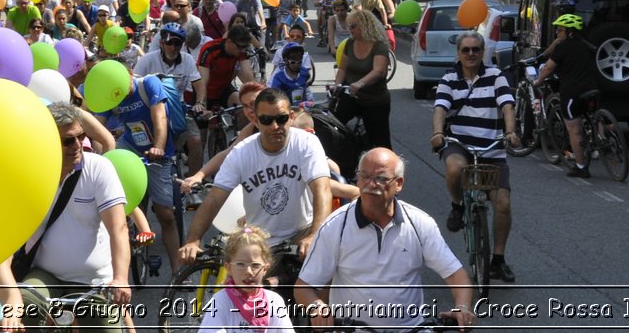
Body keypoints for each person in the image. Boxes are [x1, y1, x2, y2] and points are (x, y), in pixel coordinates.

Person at [295, 148, 474, 332]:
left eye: (381, 178)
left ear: (399, 184)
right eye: (364, 176)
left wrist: (463, 308)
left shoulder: (420, 223)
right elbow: (303, 287)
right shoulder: (335, 226)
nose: (371, 184)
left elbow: (457, 276)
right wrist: (316, 306)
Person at [179, 89, 332, 266]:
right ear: (255, 121)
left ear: (291, 117)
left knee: (308, 288)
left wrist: (315, 235)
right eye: (267, 120)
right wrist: (193, 240)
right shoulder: (241, 153)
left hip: (302, 233)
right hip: (260, 241)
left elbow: (322, 189)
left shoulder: (307, 142)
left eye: (281, 118)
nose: (275, 126)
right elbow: (214, 199)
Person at [13, 102, 130, 333]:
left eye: (81, 136)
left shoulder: (99, 168)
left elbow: (118, 228)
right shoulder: (29, 173)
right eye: (68, 141)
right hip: (45, 275)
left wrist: (120, 278)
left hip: (93, 282)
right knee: (25, 307)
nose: (78, 145)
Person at [431, 29, 521, 284]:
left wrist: (511, 132)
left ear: (482, 53)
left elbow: (507, 106)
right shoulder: (449, 79)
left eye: (476, 50)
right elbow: (440, 109)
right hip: (459, 144)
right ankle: (457, 205)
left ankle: (498, 260)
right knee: (455, 168)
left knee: (502, 203)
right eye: (465, 50)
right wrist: (438, 133)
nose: (471, 54)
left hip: (492, 148)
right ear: (458, 54)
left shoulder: (496, 76)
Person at [102, 65, 181, 273]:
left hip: (157, 150)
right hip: (129, 146)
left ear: (130, 73)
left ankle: (178, 271)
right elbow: (99, 125)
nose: (119, 89)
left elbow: (160, 119)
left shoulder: (148, 84)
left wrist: (159, 148)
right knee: (117, 201)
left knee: (166, 215)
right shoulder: (111, 93)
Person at [134, 22, 206, 172]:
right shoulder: (147, 60)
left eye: (177, 43)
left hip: (178, 110)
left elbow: (199, 84)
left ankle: (194, 184)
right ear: (161, 42)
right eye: (169, 43)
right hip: (150, 111)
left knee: (195, 141)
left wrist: (199, 102)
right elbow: (133, 83)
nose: (173, 48)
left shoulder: (187, 60)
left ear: (182, 45)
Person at [196, 225, 296, 333]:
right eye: (240, 264)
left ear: (265, 269)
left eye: (255, 265)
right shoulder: (220, 301)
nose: (248, 271)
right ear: (229, 268)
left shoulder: (274, 301)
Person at [534, 12, 595, 178]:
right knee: (594, 116)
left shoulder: (563, 48)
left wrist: (538, 81)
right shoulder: (586, 45)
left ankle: (581, 167)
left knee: (573, 129)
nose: (557, 33)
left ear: (569, 32)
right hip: (592, 89)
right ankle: (602, 139)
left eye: (560, 30)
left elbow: (548, 68)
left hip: (572, 93)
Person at [335, 10, 392, 151]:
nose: (350, 30)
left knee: (380, 142)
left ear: (365, 25)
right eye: (348, 26)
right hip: (351, 96)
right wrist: (337, 84)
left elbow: (379, 71)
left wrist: (360, 83)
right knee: (334, 126)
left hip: (374, 99)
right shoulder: (349, 43)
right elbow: (342, 69)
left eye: (353, 26)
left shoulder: (380, 45)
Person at [197, 25, 256, 111]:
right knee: (203, 117)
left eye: (245, 47)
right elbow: (203, 83)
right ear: (229, 41)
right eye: (240, 47)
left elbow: (249, 78)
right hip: (205, 91)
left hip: (223, 88)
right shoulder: (210, 49)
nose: (242, 50)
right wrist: (203, 106)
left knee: (243, 107)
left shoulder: (241, 51)